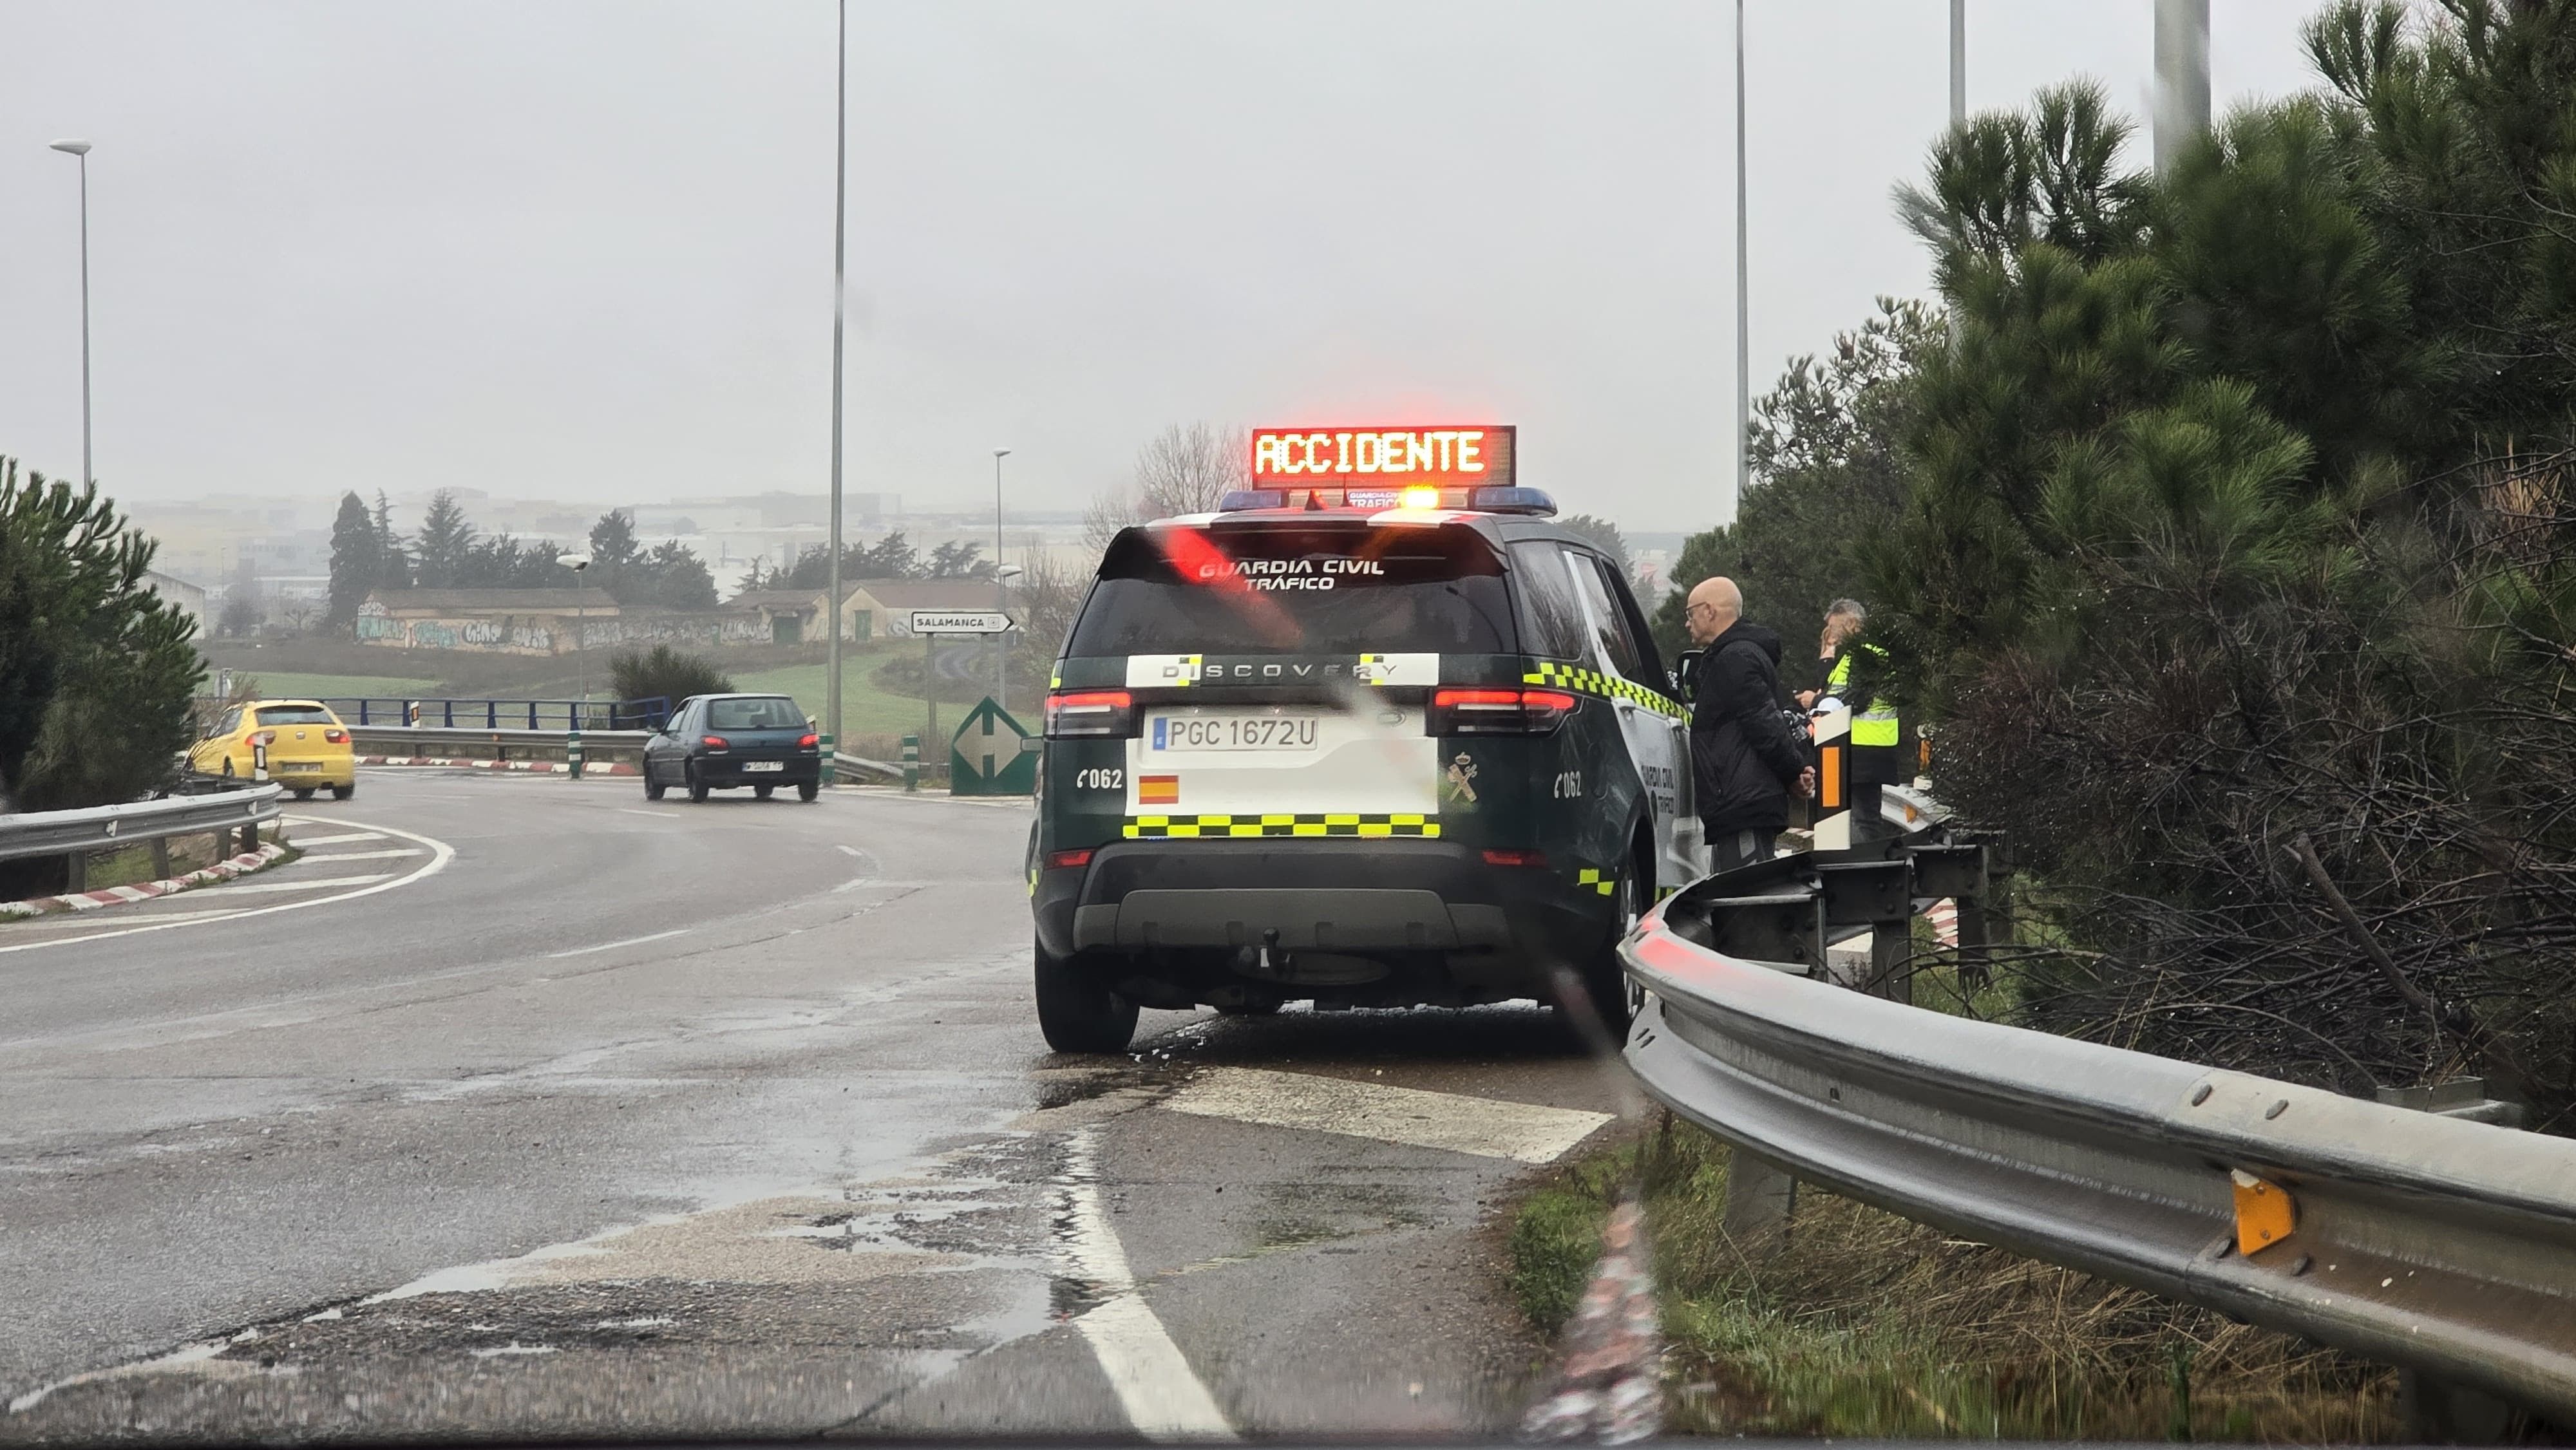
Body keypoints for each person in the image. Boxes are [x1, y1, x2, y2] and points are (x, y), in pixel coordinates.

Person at [1683, 577, 1814, 873]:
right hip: (1741, 803)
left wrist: (1794, 772)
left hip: (1744, 803)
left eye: (1690, 614)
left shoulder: (1736, 658)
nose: (1687, 623)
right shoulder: (1737, 654)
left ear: (1709, 611)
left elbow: (1764, 724)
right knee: (1737, 901)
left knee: (1747, 902)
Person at [1808, 598, 1904, 842]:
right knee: (1848, 819)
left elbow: (1853, 700)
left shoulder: (1866, 656)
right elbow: (1831, 688)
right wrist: (1827, 658)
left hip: (1865, 749)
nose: (1831, 634)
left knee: (1863, 819)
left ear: (1852, 624)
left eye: (1834, 627)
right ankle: (1857, 865)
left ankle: (1868, 869)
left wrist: (1816, 703)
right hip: (1855, 747)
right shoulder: (1853, 656)